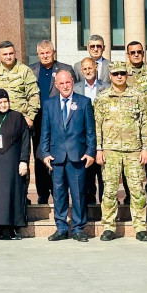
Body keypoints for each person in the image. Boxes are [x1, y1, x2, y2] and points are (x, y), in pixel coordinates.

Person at [96, 60, 147, 242]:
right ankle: (109, 227)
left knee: (136, 190)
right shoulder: (102, 98)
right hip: (110, 151)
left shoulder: (137, 95)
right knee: (110, 190)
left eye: (122, 73)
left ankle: (140, 227)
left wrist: (145, 148)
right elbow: (97, 126)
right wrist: (98, 149)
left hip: (133, 150)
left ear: (127, 75)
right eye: (115, 74)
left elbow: (145, 123)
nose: (119, 77)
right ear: (110, 76)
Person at [40, 69, 95, 241]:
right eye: (61, 83)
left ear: (73, 82)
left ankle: (78, 228)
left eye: (68, 82)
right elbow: (45, 132)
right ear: (56, 85)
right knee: (59, 193)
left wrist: (90, 152)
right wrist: (45, 153)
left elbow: (90, 131)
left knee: (78, 194)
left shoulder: (84, 102)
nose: (65, 86)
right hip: (56, 157)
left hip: (77, 156)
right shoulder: (49, 104)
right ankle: (61, 228)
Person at [29, 39, 75, 205]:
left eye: (48, 52)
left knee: (58, 156)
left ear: (53, 52)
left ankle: (58, 192)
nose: (45, 56)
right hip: (39, 121)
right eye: (42, 53)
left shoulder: (65, 69)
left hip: (59, 121)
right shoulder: (31, 70)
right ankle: (42, 193)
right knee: (40, 156)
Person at [0, 88, 30, 239]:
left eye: (6, 102)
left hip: (12, 161)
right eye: (0, 102)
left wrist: (24, 161)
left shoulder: (17, 117)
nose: (3, 105)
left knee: (13, 192)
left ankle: (12, 228)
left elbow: (25, 141)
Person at [124, 40, 147, 206]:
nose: (136, 55)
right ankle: (129, 196)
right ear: (128, 54)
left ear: (143, 53)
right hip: (129, 126)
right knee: (129, 166)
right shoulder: (121, 73)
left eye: (139, 51)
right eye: (133, 52)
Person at [0, 41, 40, 129]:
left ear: (15, 53)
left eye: (11, 53)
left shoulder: (25, 71)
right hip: (0, 120)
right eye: (5, 54)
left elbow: (34, 95)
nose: (8, 57)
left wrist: (30, 117)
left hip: (21, 119)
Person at [74, 57, 104, 204]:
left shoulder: (106, 88)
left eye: (90, 68)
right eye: (84, 69)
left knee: (104, 177)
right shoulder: (75, 89)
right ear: (81, 71)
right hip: (83, 139)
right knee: (87, 177)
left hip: (104, 137)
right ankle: (90, 207)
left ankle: (106, 209)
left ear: (96, 68)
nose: (87, 71)